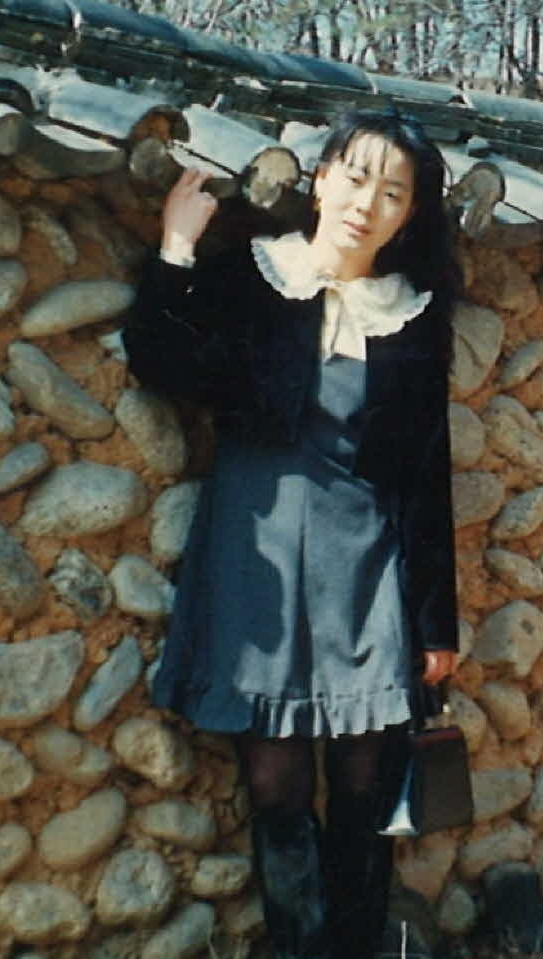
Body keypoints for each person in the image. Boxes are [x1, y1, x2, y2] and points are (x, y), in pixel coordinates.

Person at [124, 110, 460, 959]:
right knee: (275, 789)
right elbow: (167, 364)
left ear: (409, 213)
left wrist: (435, 623)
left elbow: (425, 473)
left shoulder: (415, 315)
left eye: (393, 191)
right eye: (355, 177)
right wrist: (174, 248)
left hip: (365, 565)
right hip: (256, 551)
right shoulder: (253, 273)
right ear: (319, 178)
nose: (367, 202)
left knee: (364, 787)